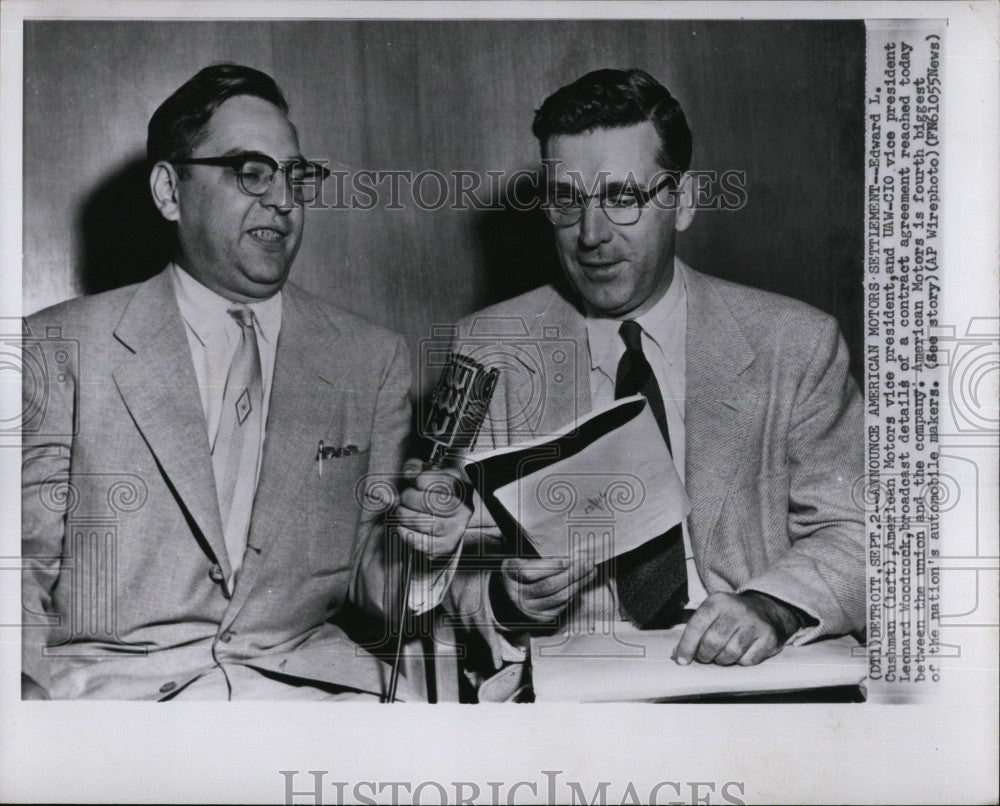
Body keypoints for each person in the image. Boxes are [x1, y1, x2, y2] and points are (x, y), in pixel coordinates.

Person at [20, 64, 468, 700]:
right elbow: (18, 563)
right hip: (114, 702)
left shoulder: (369, 360)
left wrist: (427, 548)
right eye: (251, 172)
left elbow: (377, 578)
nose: (283, 200)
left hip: (308, 695)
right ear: (169, 191)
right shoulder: (59, 348)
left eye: (296, 176)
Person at [445, 68, 864, 700]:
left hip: (760, 686)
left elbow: (864, 532)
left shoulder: (795, 342)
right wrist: (503, 597)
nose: (591, 235)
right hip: (573, 701)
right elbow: (431, 558)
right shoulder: (490, 347)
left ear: (683, 200)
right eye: (567, 200)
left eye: (622, 197)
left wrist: (773, 606)